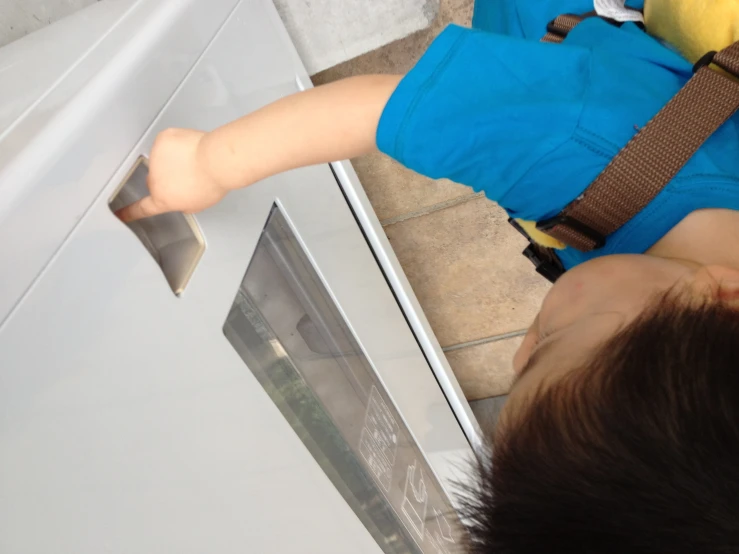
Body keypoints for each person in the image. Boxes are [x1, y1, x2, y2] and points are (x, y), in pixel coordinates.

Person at [118, 0, 739, 550]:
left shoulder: (677, 292)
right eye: (546, 344)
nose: (520, 351)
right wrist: (211, 162)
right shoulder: (583, 154)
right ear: (718, 300)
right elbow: (387, 108)